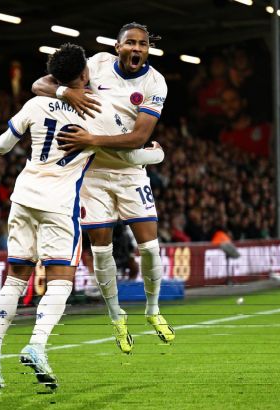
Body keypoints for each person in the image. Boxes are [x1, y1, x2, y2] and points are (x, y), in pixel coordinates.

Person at [0, 43, 163, 389]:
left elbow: (2, 146)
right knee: (60, 280)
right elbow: (130, 157)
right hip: (59, 205)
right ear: (84, 74)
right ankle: (36, 345)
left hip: (23, 197)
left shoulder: (34, 102)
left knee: (16, 279)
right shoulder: (95, 117)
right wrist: (157, 154)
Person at [32, 22, 175, 355]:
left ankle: (152, 310)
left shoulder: (155, 83)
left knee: (151, 247)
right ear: (117, 46)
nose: (137, 49)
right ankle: (116, 317)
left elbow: (139, 138)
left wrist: (92, 139)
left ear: (148, 49)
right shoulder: (93, 66)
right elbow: (38, 84)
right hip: (93, 175)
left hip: (130, 173)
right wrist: (65, 91)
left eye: (143, 44)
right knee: (101, 250)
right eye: (130, 43)